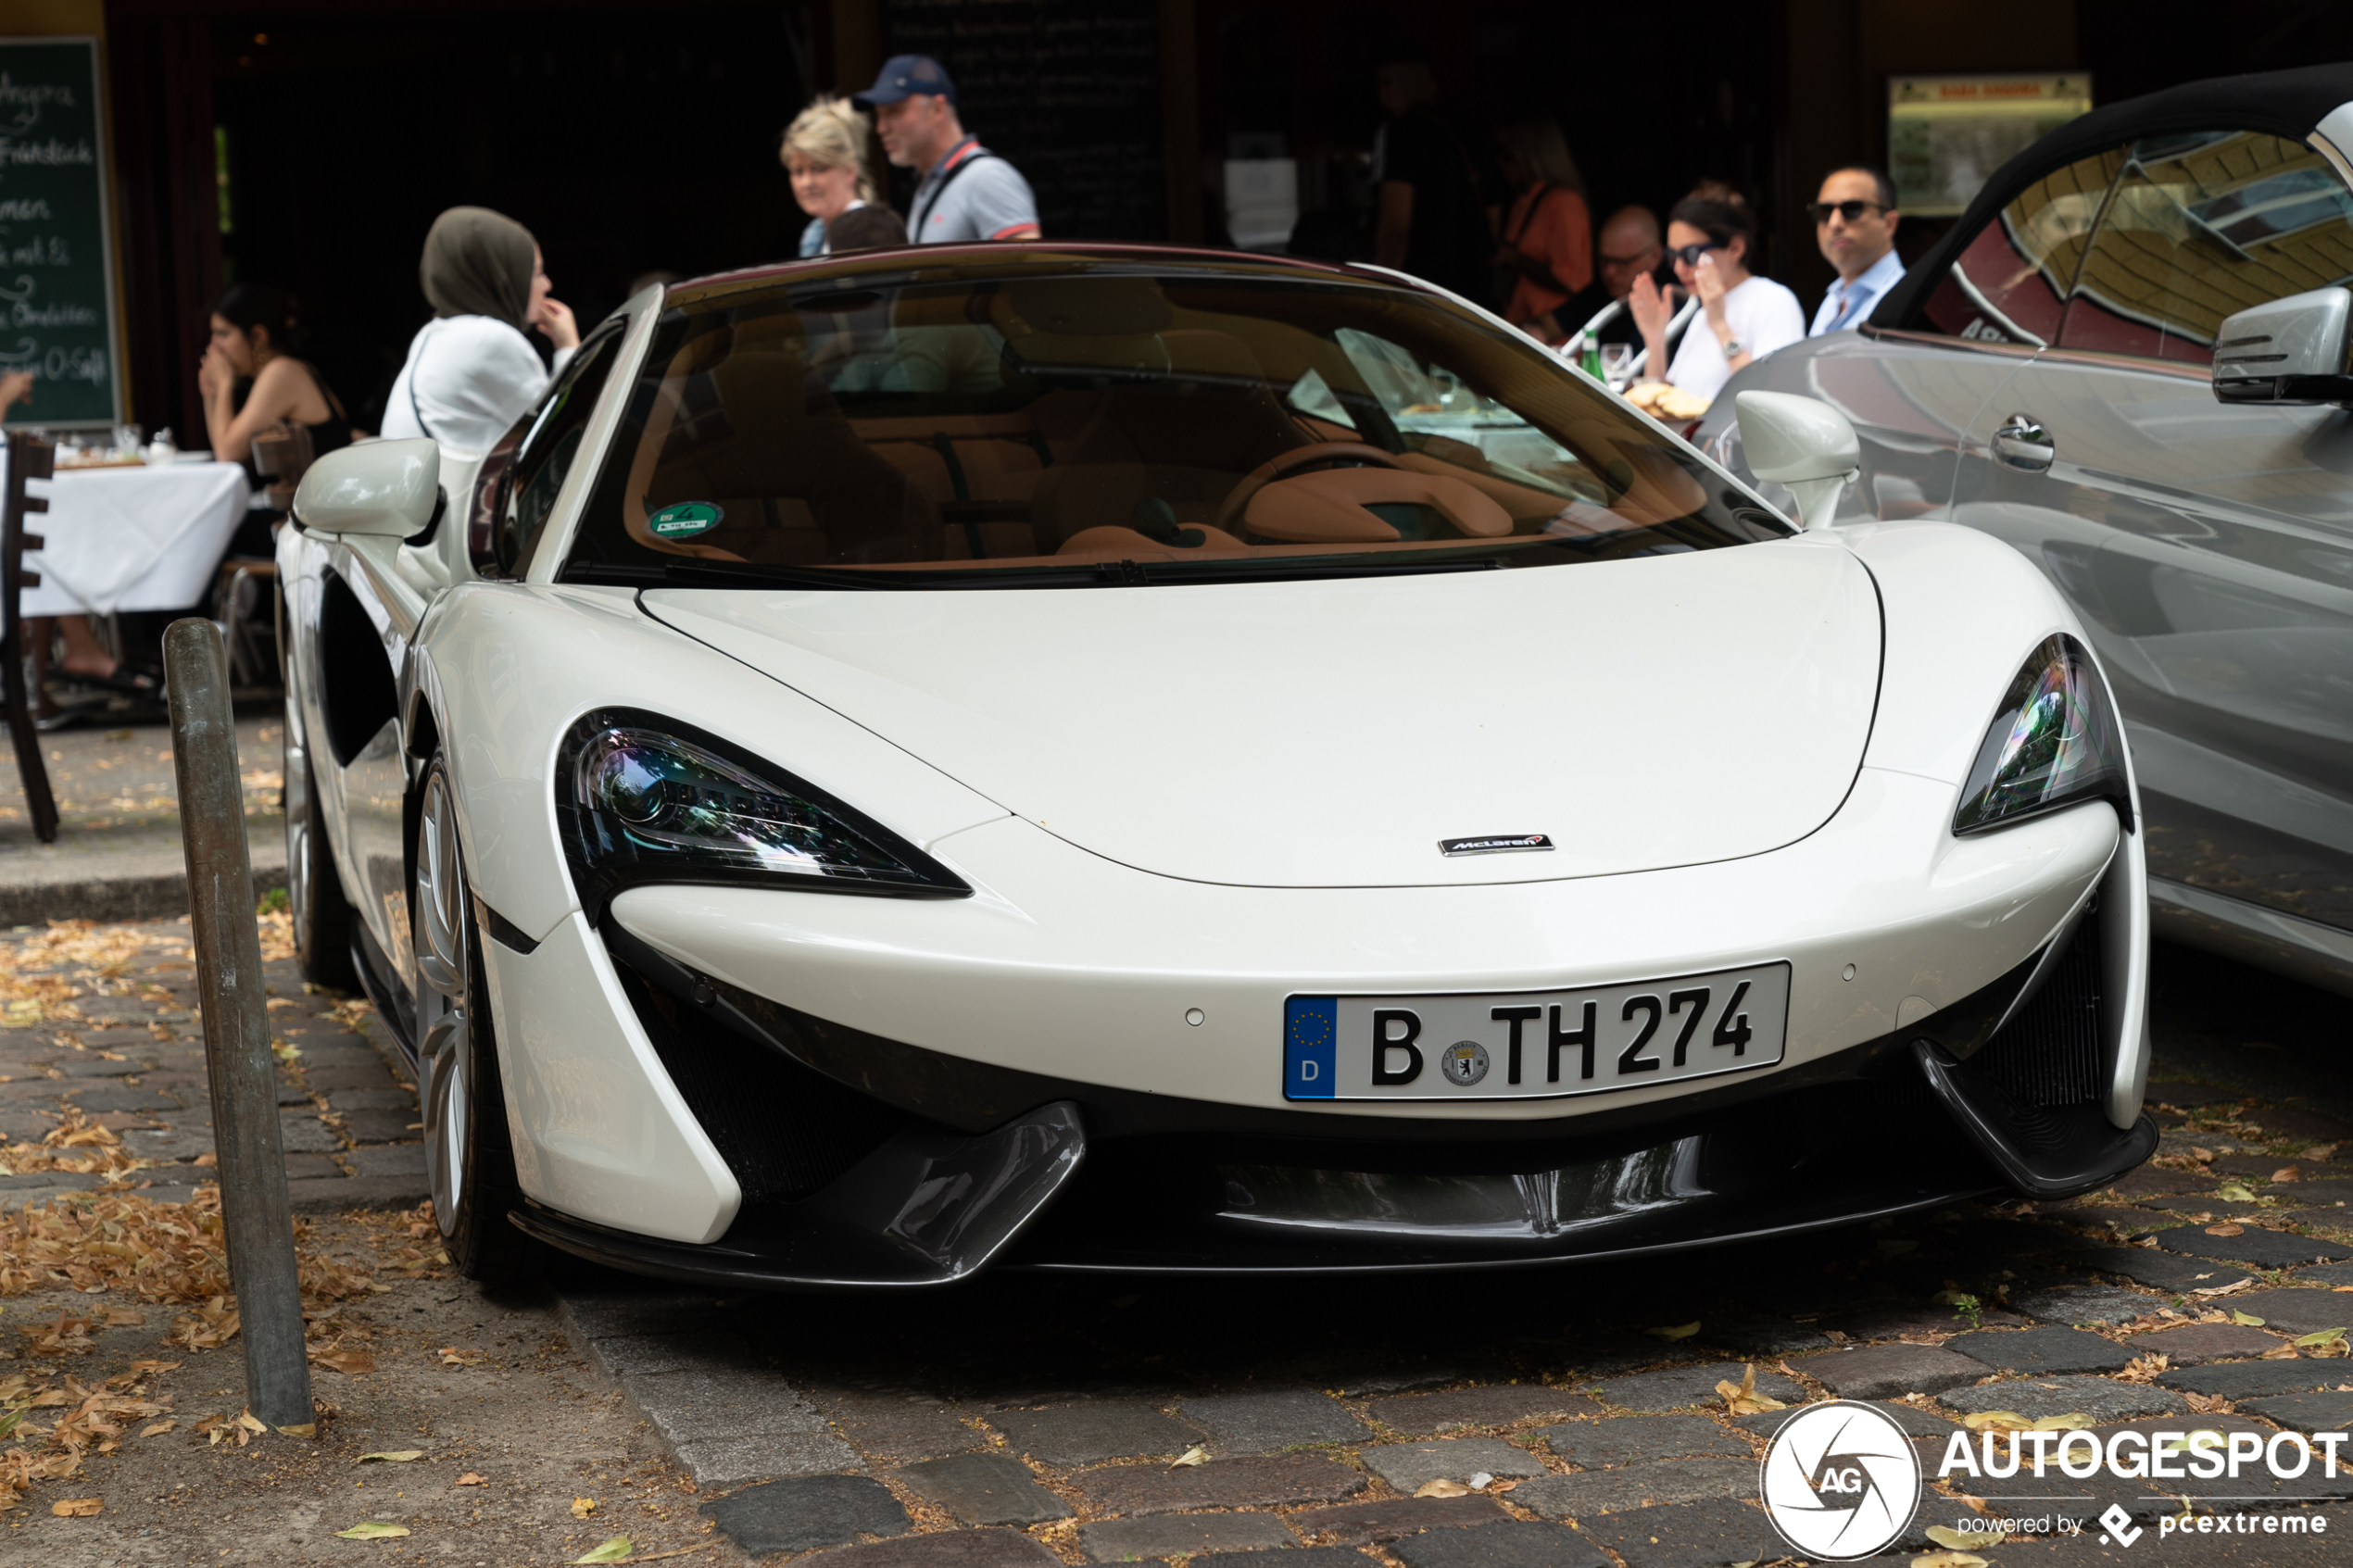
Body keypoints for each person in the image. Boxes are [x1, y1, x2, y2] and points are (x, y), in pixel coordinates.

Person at [380, 207, 579, 459]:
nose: (547, 284)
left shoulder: (433, 333)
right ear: (502, 277)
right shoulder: (488, 339)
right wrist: (569, 345)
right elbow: (564, 433)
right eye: (536, 272)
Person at [1628, 196, 1804, 403]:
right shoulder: (1704, 312)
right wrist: (1655, 339)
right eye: (1673, 255)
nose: (1678, 268)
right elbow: (1665, 401)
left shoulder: (1773, 300)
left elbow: (1770, 397)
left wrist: (1721, 327)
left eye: (1690, 254)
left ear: (1735, 248)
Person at [854, 56, 1040, 245]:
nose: (881, 128)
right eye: (879, 115)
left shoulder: (988, 178)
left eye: (894, 111)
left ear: (937, 109)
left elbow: (1028, 266)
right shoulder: (932, 183)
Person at [1370, 55, 1498, 304]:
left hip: (1421, 285)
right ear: (1432, 84)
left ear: (1387, 89)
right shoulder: (1470, 130)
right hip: (1474, 283)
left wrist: (1378, 293)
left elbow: (1395, 228)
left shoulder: (1401, 132)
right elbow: (1494, 215)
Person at [195, 282, 353, 471]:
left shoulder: (281, 372)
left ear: (258, 336)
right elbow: (222, 448)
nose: (213, 346)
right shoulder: (283, 370)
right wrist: (211, 392)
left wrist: (224, 385)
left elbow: (228, 455)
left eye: (223, 333)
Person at [1492, 115, 1591, 343]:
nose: (1500, 162)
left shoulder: (1564, 202)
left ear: (1530, 155)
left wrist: (1515, 259)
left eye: (1507, 154)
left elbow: (1571, 281)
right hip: (1518, 327)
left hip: (1553, 339)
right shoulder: (1523, 201)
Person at [781, 94, 885, 257]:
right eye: (798, 171)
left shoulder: (875, 230)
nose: (806, 183)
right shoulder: (814, 235)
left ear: (850, 171)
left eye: (819, 169)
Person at [1809, 166, 1904, 335]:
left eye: (1852, 209)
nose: (1834, 223)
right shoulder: (1833, 300)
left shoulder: (1905, 299)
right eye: (1825, 212)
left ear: (1889, 224)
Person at [1555, 206, 1667, 349]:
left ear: (1654, 256)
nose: (1609, 272)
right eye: (1604, 260)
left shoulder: (1672, 299)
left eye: (1622, 263)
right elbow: (1551, 323)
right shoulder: (1602, 291)